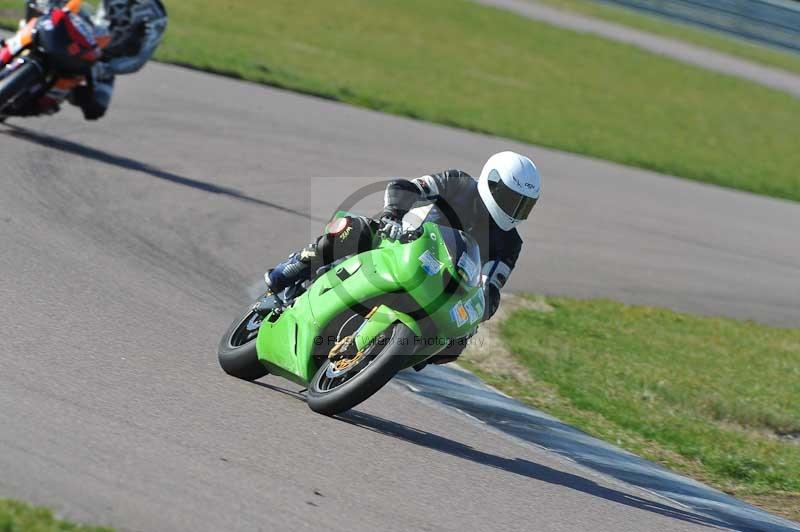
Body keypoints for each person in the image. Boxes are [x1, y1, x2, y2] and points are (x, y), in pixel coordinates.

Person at [266, 151, 542, 364]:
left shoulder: (510, 243)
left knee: (457, 342)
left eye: (524, 205)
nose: (515, 210)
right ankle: (298, 264)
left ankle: (388, 357)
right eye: (510, 200)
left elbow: (491, 289)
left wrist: (478, 309)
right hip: (402, 244)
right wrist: (393, 214)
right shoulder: (458, 183)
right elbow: (408, 187)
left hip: (441, 287)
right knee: (354, 227)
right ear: (492, 183)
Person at [15, 0, 167, 120]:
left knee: (95, 107)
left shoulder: (155, 14)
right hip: (70, 28)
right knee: (36, 13)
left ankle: (47, 100)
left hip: (102, 59)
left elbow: (139, 58)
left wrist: (106, 67)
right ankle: (16, 44)